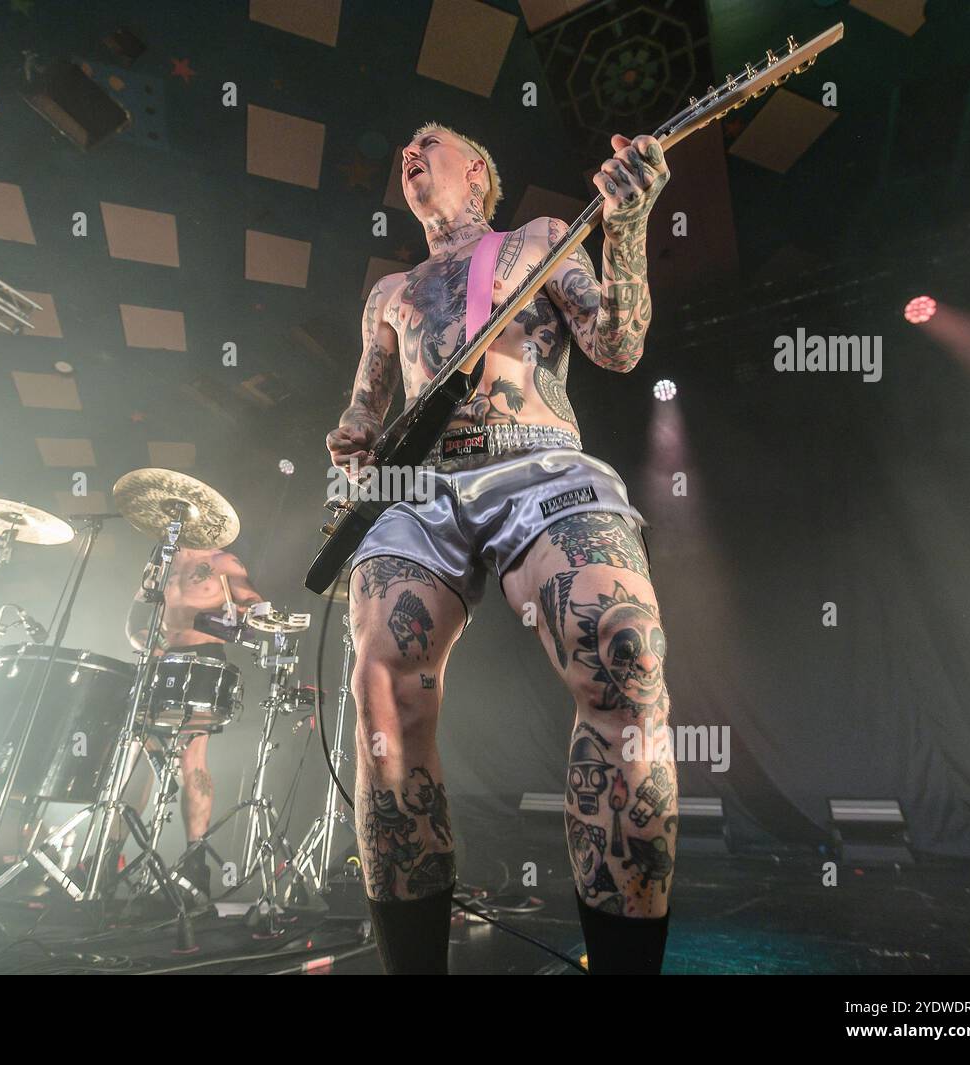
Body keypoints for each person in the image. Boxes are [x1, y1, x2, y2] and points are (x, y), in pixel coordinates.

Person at [325, 123, 674, 974]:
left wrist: (626, 225)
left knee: (620, 652)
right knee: (380, 689)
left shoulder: (540, 241)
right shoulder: (389, 294)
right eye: (402, 147)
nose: (409, 151)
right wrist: (349, 473)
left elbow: (617, 346)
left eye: (431, 142)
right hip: (418, 489)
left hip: (539, 461)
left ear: (480, 170)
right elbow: (361, 423)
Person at [118, 546, 263, 898]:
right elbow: (136, 616)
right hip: (158, 664)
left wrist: (236, 614)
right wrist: (145, 641)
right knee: (138, 759)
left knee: (191, 757)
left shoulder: (224, 561)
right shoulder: (163, 560)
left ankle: (195, 858)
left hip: (202, 661)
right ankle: (111, 854)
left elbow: (256, 608)